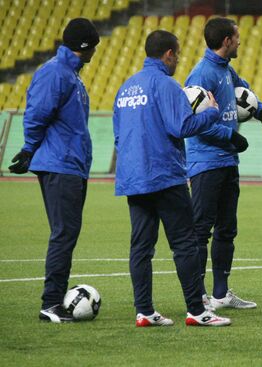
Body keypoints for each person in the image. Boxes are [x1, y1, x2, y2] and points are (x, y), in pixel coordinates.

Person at [113, 30, 231, 327]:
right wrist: (213, 113)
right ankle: (197, 310)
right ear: (168, 54)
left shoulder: (126, 88)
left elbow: (118, 136)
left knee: (141, 246)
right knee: (185, 243)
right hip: (165, 176)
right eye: (176, 55)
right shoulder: (166, 85)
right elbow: (183, 126)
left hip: (133, 177)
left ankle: (144, 312)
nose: (178, 60)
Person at [8, 18, 100, 323]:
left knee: (67, 233)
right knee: (64, 233)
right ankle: (50, 303)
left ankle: (53, 300)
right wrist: (29, 147)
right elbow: (38, 112)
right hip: (60, 164)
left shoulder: (69, 74)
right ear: (84, 47)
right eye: (93, 47)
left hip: (70, 164)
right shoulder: (55, 73)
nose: (95, 53)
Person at [184, 17, 262, 310]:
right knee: (201, 230)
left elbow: (245, 93)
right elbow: (195, 123)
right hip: (206, 162)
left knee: (226, 229)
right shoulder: (201, 74)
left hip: (227, 161)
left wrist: (261, 112)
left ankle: (220, 294)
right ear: (226, 42)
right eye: (237, 37)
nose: (240, 41)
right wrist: (230, 137)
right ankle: (198, 297)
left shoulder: (225, 69)